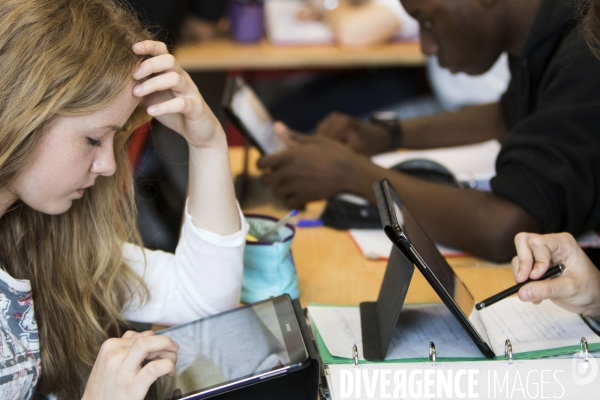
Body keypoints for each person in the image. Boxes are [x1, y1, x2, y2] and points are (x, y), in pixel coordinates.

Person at [0, 0, 247, 398]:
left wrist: (208, 145)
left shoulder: (40, 233)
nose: (108, 166)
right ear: (22, 111)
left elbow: (203, 301)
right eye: (93, 139)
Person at [258, 0, 600, 262]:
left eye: (427, 20)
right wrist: (385, 135)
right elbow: (508, 115)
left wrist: (352, 174)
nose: (426, 47)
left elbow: (505, 226)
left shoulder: (583, 54)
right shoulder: (542, 33)